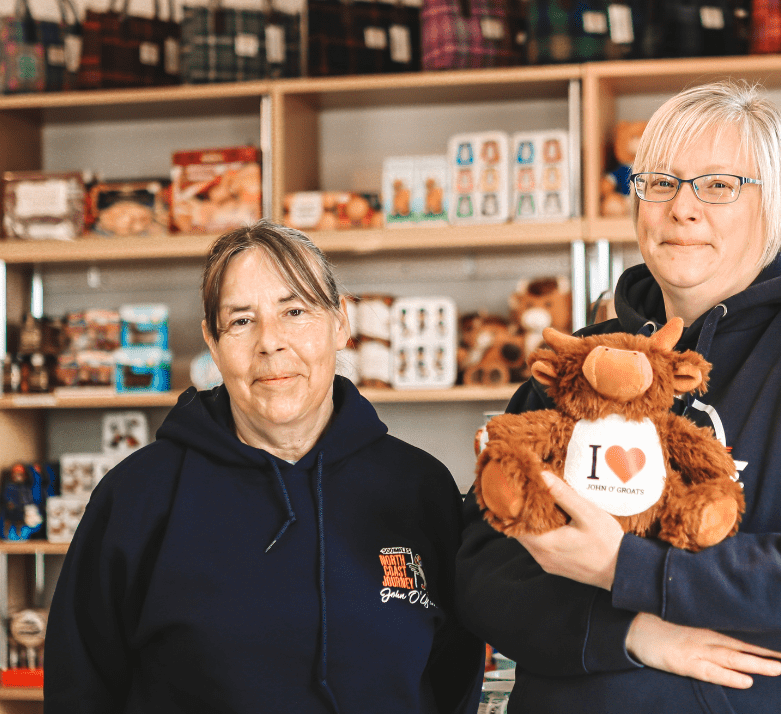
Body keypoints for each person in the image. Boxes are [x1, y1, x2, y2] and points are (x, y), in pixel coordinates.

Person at [457, 81, 781, 714]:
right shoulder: (584, 359)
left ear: (773, 205)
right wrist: (633, 633)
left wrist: (632, 570)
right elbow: (483, 567)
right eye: (661, 182)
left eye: (719, 185)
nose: (683, 208)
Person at [46, 221, 483, 713]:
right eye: (241, 321)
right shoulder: (137, 496)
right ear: (213, 340)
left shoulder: (418, 486)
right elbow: (79, 688)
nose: (270, 343)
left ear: (340, 323)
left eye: (294, 311)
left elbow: (456, 676)